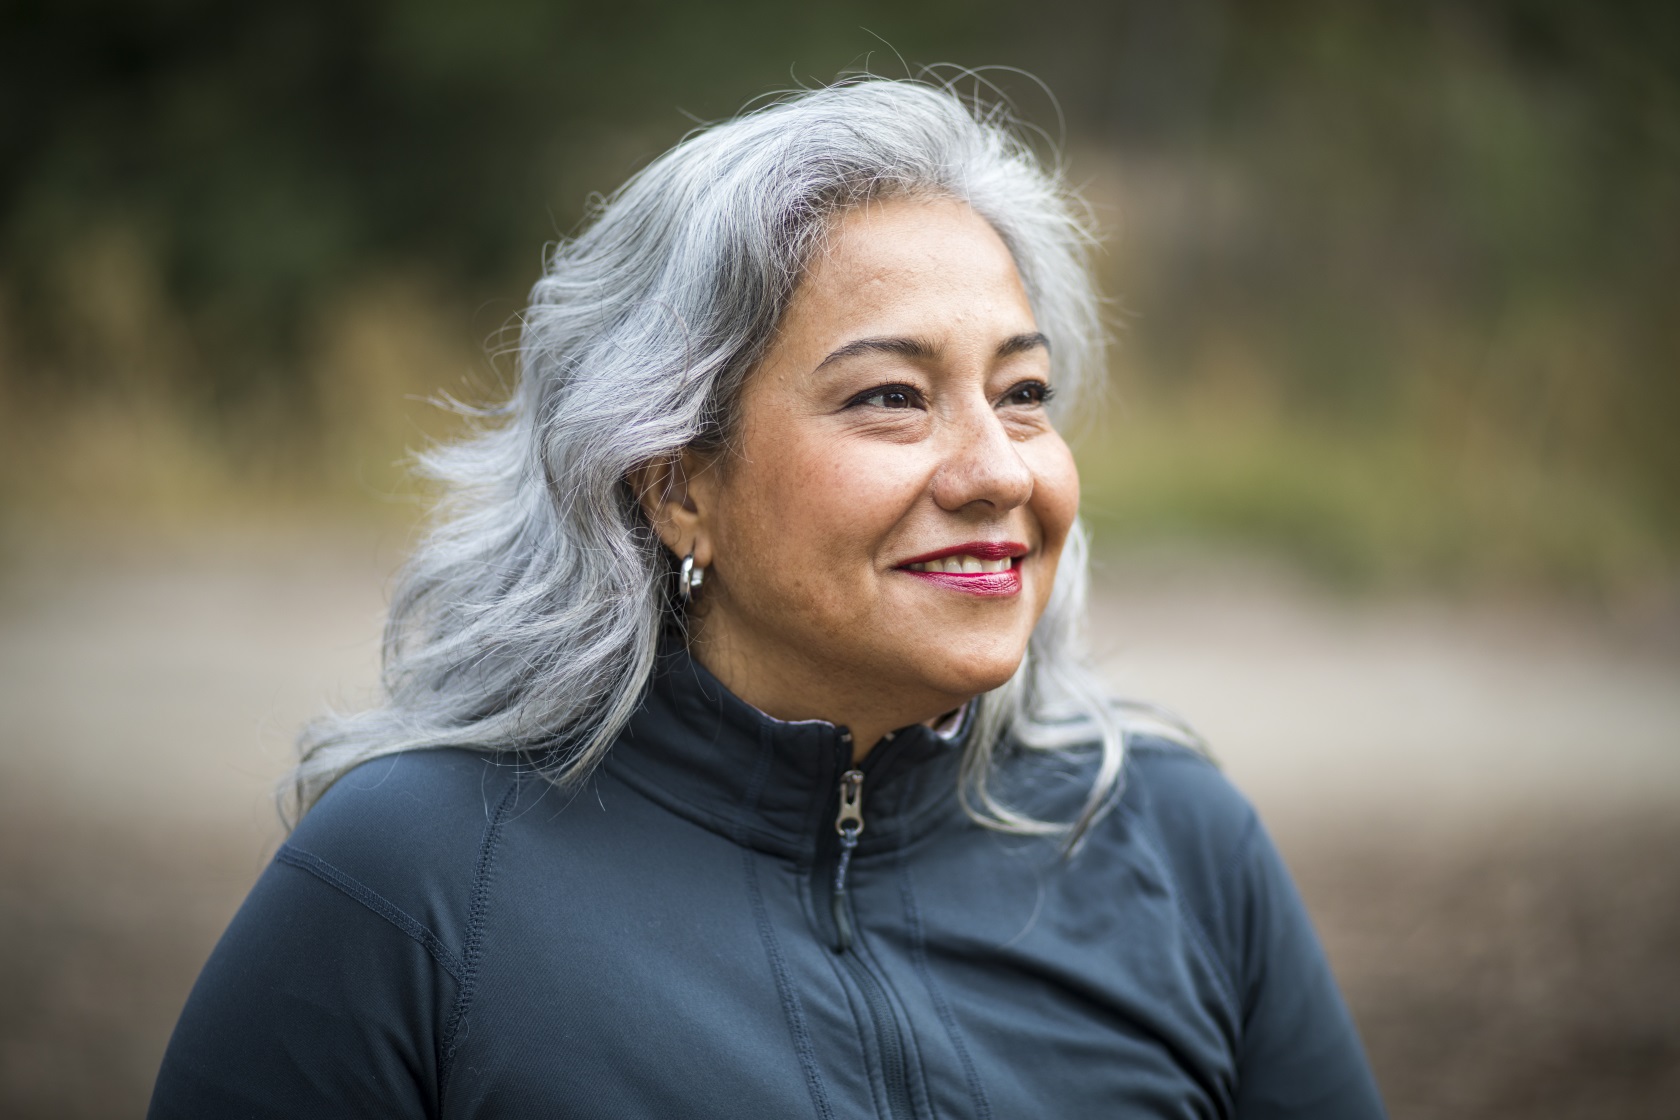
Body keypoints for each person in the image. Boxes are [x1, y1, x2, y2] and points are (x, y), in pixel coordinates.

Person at [149, 78, 1386, 1119]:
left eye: (1022, 391)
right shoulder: (410, 882)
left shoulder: (1177, 844)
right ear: (675, 485)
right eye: (891, 396)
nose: (998, 469)